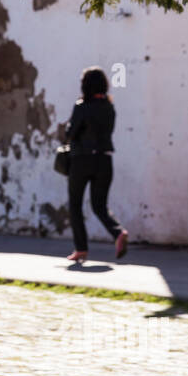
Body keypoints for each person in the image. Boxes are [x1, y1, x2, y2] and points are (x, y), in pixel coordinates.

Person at [63, 66, 129, 264]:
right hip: (105, 159)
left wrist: (69, 127)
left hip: (82, 159)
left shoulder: (82, 106)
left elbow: (71, 132)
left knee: (75, 204)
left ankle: (81, 249)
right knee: (99, 205)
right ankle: (118, 232)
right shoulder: (109, 107)